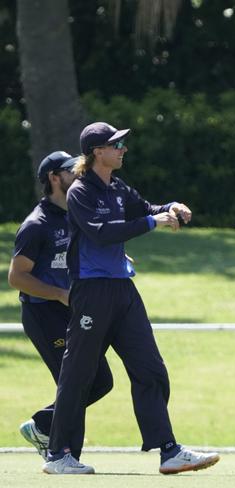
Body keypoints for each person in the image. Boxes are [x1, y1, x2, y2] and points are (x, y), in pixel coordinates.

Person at [42, 122, 220, 475]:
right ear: (97, 152)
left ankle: (168, 450)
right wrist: (155, 222)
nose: (123, 149)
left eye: (121, 143)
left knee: (150, 368)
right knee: (78, 374)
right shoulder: (81, 191)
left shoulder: (118, 188)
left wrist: (171, 205)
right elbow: (101, 232)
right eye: (116, 144)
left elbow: (144, 208)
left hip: (123, 290)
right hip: (91, 292)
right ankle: (59, 455)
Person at [8, 151, 114, 461]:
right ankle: (61, 454)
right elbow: (16, 277)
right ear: (55, 178)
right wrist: (58, 294)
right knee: (77, 382)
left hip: (70, 310)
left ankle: (43, 426)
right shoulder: (36, 225)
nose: (80, 173)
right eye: (72, 170)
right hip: (43, 313)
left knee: (100, 381)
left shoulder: (76, 214)